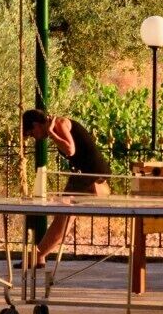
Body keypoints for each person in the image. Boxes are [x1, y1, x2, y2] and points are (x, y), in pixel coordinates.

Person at [19, 109, 110, 256]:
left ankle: (37, 256)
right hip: (86, 175)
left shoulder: (60, 123)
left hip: (91, 176)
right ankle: (39, 256)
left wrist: (51, 133)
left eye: (31, 133)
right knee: (63, 218)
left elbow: (70, 149)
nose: (34, 138)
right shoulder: (56, 125)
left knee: (62, 217)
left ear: (36, 125)